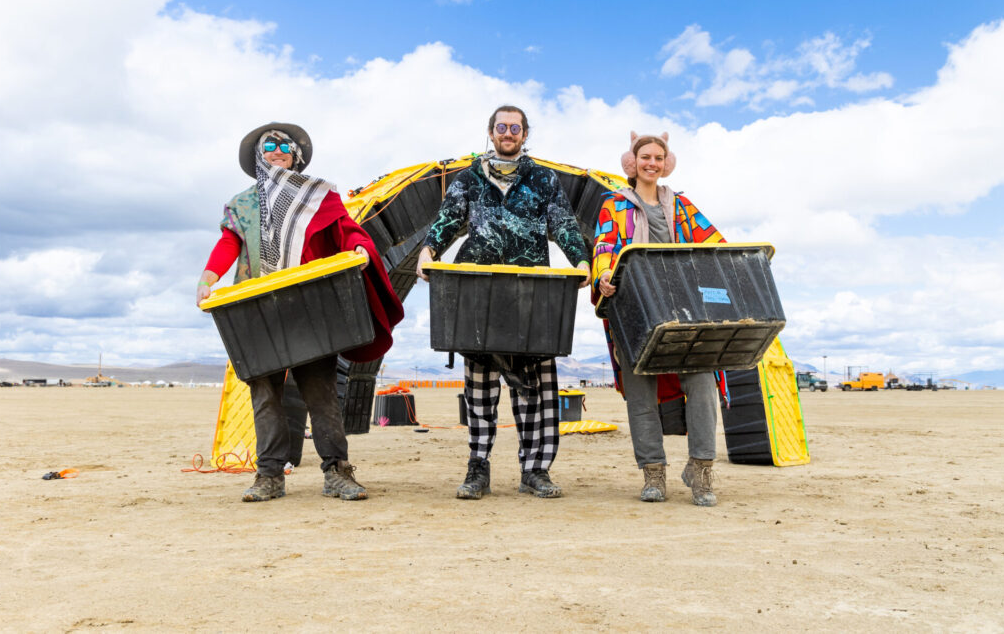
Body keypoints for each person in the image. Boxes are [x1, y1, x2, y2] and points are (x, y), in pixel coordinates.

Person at [198, 122, 404, 502]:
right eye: (269, 146)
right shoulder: (242, 204)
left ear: (296, 155)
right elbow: (229, 242)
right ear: (260, 156)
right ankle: (270, 476)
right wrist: (209, 277)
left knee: (321, 392)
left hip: (309, 308)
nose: (276, 151)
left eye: (283, 146)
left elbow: (347, 230)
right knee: (265, 395)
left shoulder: (318, 197)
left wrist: (360, 248)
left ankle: (337, 472)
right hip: (256, 309)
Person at [416, 105, 591, 500]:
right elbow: (447, 220)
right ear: (490, 132)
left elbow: (562, 223)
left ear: (525, 134)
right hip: (478, 294)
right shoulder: (469, 179)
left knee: (536, 385)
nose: (508, 133)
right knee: (480, 387)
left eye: (515, 127)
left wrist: (580, 259)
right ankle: (478, 468)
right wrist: (429, 251)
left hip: (532, 293)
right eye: (501, 127)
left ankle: (535, 470)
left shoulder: (543, 179)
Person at [592, 131, 726, 506]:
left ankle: (700, 471)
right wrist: (605, 273)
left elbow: (713, 242)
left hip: (684, 312)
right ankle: (653, 474)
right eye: (645, 156)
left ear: (666, 163)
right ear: (633, 162)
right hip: (634, 311)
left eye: (658, 157)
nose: (652, 163)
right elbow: (604, 246)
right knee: (640, 393)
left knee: (701, 383)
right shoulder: (614, 206)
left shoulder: (682, 206)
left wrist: (736, 268)